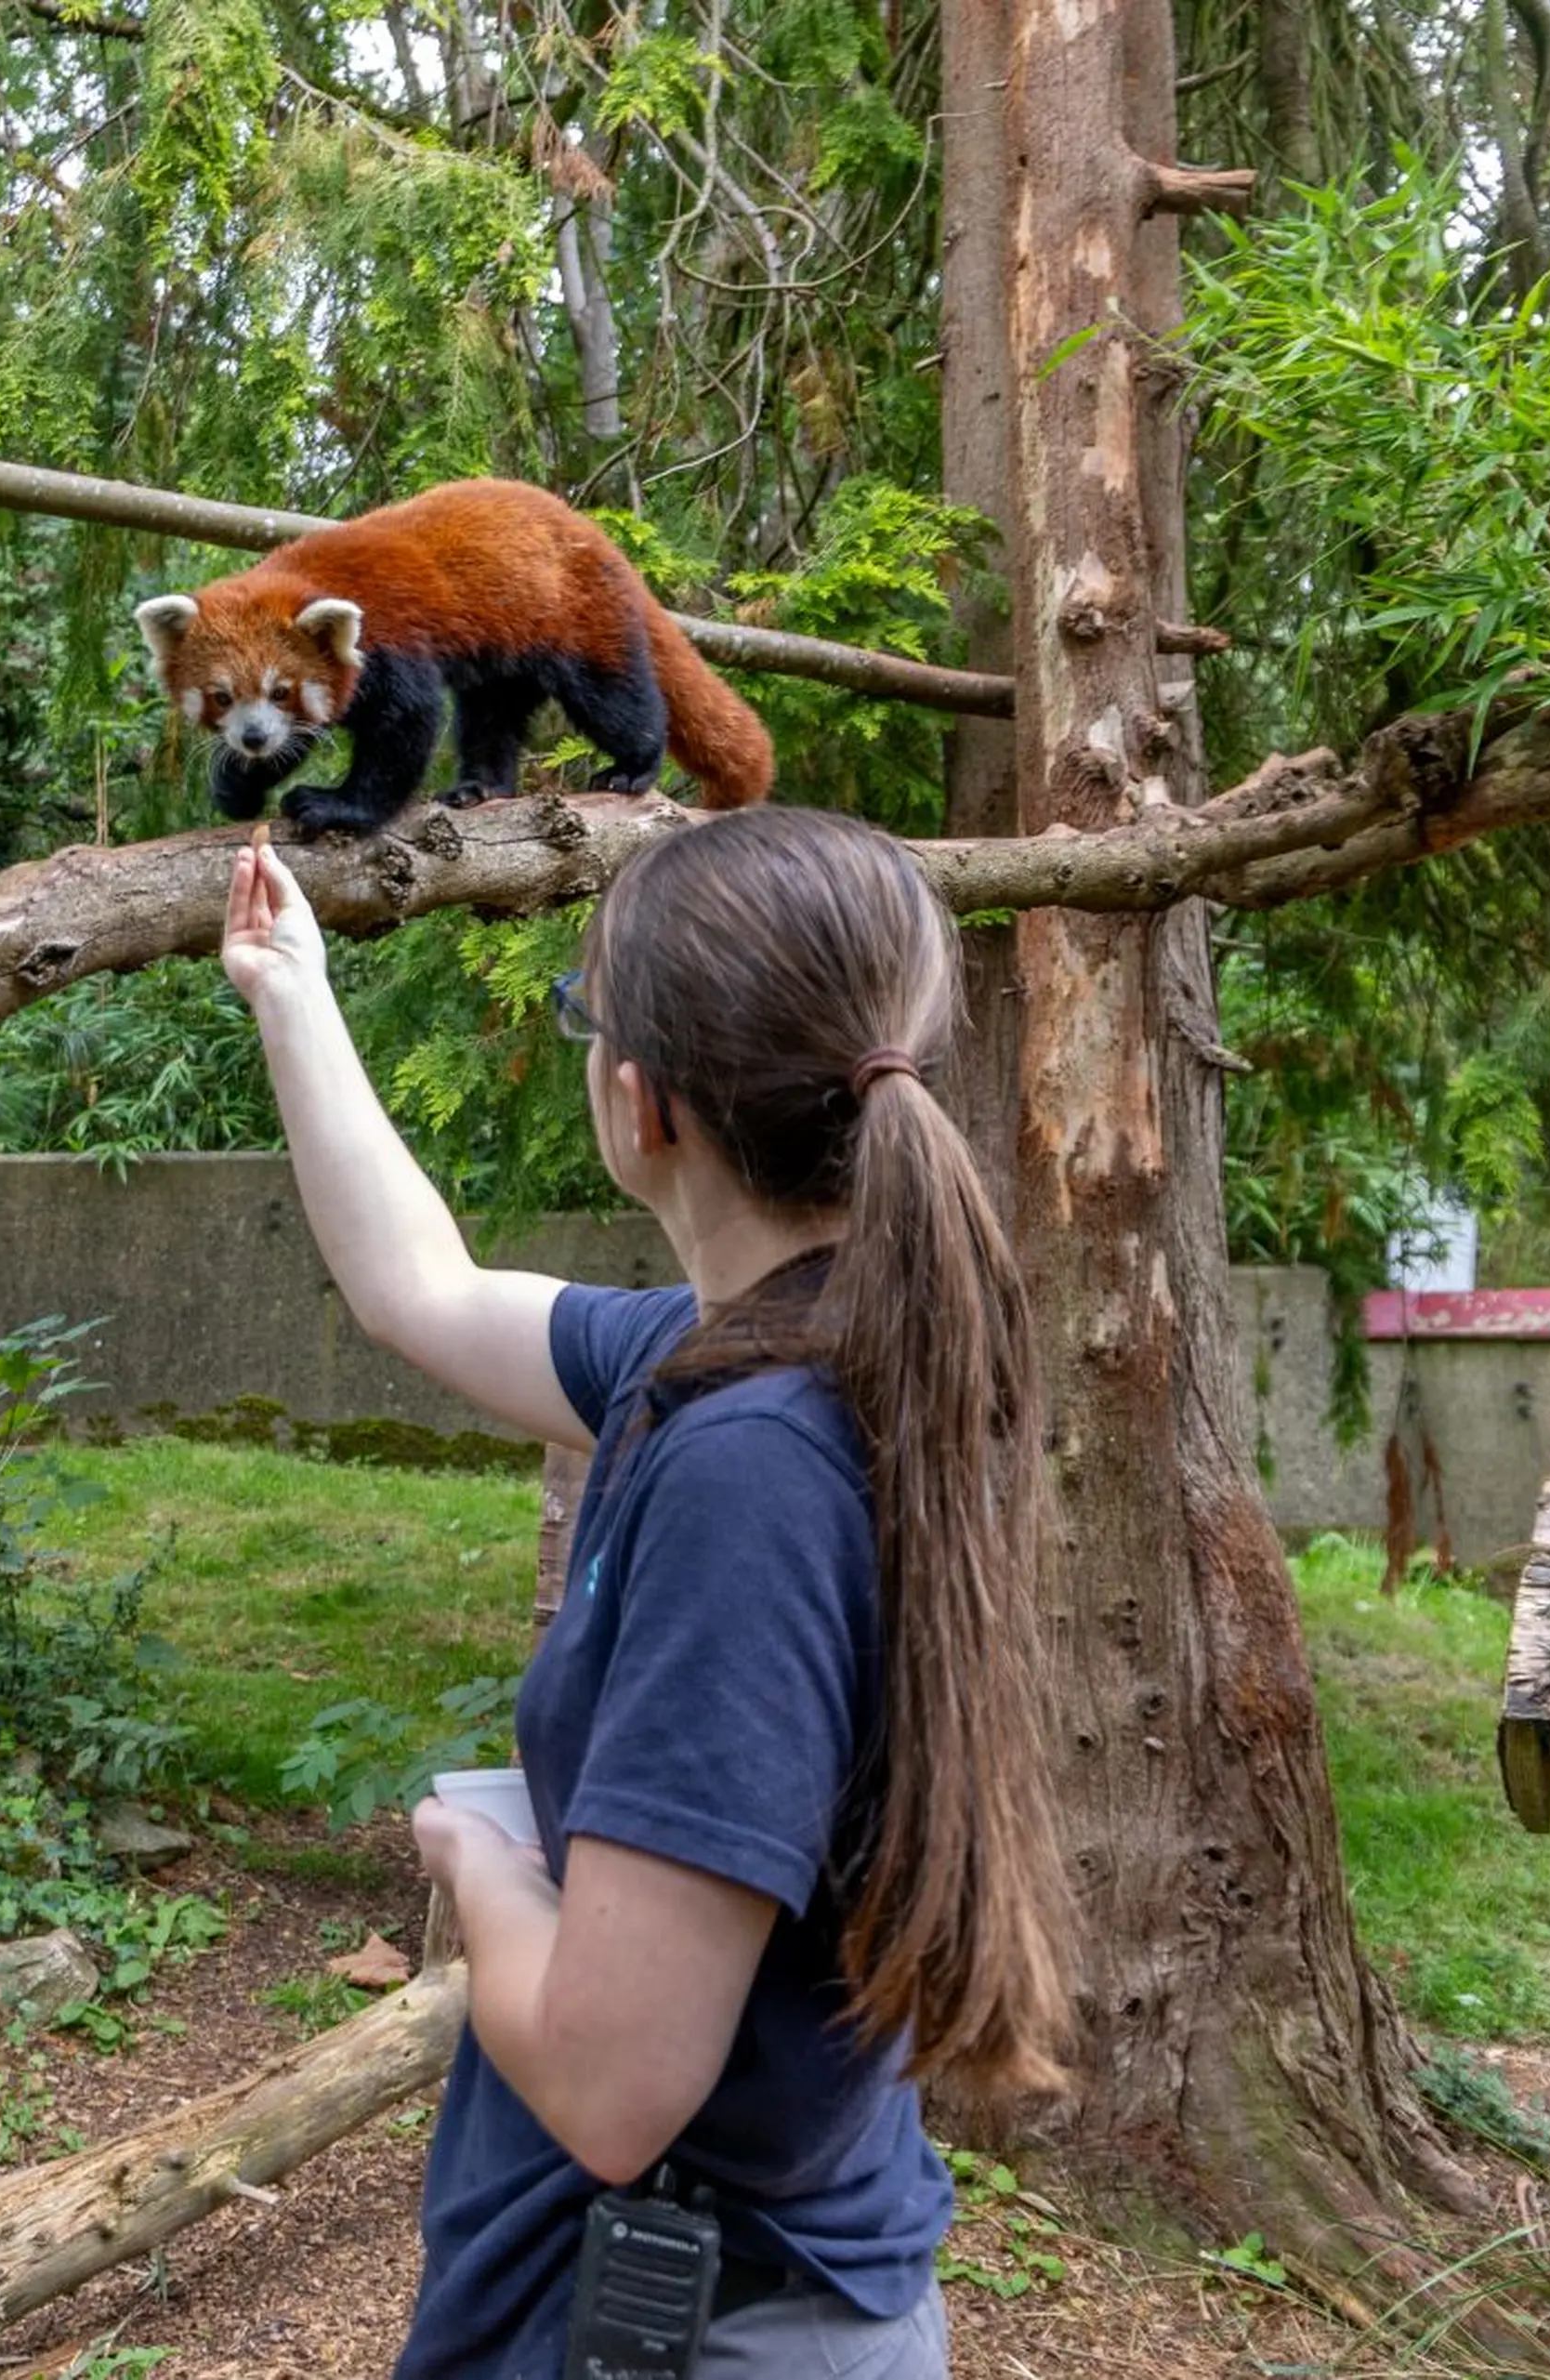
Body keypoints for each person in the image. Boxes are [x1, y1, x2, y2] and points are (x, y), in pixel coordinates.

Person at [219, 803, 1073, 2379]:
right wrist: (295, 989)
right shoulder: (773, 1353)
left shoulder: (756, 1467)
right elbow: (424, 1293)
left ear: (642, 1102)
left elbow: (616, 2087)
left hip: (698, 2323)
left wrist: (479, 1862)